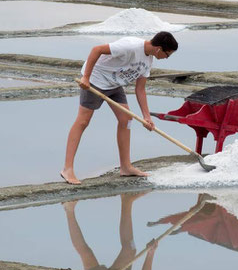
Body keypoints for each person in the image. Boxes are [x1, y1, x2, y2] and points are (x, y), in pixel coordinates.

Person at [61, 32, 178, 185]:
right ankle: (67, 169)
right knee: (83, 121)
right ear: (159, 49)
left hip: (115, 84)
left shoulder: (148, 61)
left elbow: (140, 89)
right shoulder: (130, 46)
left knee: (126, 119)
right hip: (95, 80)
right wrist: (86, 78)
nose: (166, 58)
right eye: (167, 55)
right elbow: (97, 49)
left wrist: (146, 116)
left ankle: (126, 167)